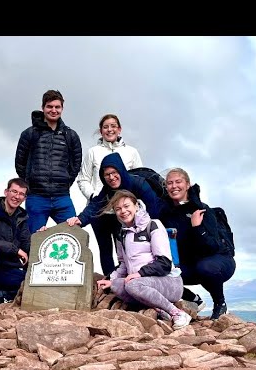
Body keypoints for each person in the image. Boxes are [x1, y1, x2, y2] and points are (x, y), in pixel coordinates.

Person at [95, 191, 191, 329]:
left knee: (132, 285)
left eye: (127, 206)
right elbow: (123, 264)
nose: (123, 211)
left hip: (169, 282)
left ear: (136, 206)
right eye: (118, 209)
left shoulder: (153, 225)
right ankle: (159, 308)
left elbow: (164, 263)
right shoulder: (121, 234)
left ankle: (177, 313)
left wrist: (139, 274)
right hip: (141, 282)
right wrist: (111, 279)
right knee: (116, 285)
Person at [158, 168, 236, 320]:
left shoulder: (202, 209)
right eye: (170, 183)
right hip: (189, 264)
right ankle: (194, 299)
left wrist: (197, 227)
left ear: (187, 185)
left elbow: (212, 247)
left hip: (218, 261)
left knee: (205, 267)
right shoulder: (165, 213)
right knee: (161, 275)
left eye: (178, 182)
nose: (174, 186)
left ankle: (220, 304)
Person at [67, 152, 160, 275]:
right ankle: (111, 281)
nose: (111, 177)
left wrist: (148, 229)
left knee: (131, 248)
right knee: (109, 250)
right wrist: (80, 219)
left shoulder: (139, 184)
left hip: (141, 223)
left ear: (121, 171)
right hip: (116, 219)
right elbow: (95, 205)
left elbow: (154, 208)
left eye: (114, 173)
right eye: (107, 174)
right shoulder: (107, 189)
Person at [76, 114, 143, 276]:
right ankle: (110, 284)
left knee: (126, 247)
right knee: (105, 250)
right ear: (101, 131)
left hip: (122, 210)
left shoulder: (131, 152)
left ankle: (130, 281)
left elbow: (140, 177)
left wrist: (134, 204)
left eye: (113, 126)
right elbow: (83, 179)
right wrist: (93, 196)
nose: (109, 129)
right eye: (105, 127)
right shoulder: (93, 152)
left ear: (119, 129)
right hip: (99, 210)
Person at [15, 89, 82, 233]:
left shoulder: (70, 135)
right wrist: (30, 183)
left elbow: (76, 164)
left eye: (57, 107)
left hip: (62, 197)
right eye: (49, 106)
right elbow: (19, 163)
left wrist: (65, 181)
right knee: (35, 240)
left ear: (62, 109)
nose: (53, 110)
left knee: (75, 234)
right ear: (43, 108)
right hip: (36, 197)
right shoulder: (29, 134)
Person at [0, 178, 31, 304]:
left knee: (31, 280)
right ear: (6, 192)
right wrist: (15, 249)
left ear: (24, 198)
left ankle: (0, 294)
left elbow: (27, 245)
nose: (17, 196)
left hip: (8, 269)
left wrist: (42, 235)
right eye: (14, 191)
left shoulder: (22, 218)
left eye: (21, 194)